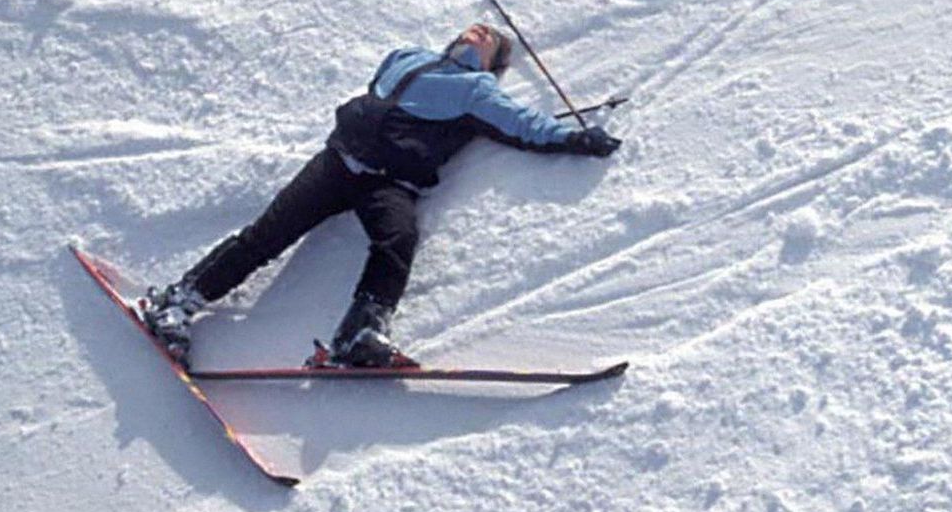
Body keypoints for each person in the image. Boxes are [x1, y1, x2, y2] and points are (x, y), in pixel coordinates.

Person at [139, 22, 621, 366]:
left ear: (493, 63)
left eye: (489, 38)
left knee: (397, 240)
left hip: (389, 181)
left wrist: (578, 138)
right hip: (339, 160)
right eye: (475, 28)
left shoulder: (477, 90)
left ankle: (360, 334)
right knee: (266, 235)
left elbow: (523, 125)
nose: (478, 32)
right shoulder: (404, 56)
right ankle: (179, 302)